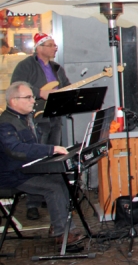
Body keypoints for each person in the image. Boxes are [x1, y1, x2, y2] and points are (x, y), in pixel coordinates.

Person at [0, 81, 82, 246]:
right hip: (12, 175)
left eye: (32, 97)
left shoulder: (24, 118)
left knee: (62, 179)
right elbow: (16, 150)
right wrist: (50, 150)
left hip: (26, 170)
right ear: (13, 101)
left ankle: (59, 227)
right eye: (28, 97)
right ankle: (62, 233)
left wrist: (51, 152)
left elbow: (32, 146)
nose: (33, 100)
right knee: (53, 187)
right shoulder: (6, 123)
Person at [11, 33, 71, 220]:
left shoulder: (56, 68)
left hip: (55, 118)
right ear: (40, 47)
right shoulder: (26, 65)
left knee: (53, 158)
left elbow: (66, 85)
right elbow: (16, 86)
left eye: (55, 45)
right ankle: (33, 203)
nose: (55, 48)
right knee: (36, 159)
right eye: (51, 45)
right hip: (37, 119)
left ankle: (51, 195)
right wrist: (40, 93)